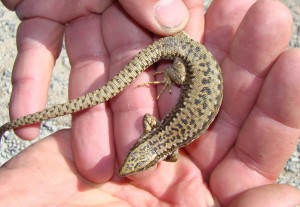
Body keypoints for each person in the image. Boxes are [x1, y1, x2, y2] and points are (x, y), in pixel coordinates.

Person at [0, 0, 300, 206]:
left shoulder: (166, 147)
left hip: (190, 59)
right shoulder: (161, 141)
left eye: (134, 154)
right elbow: (153, 131)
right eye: (136, 155)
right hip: (189, 60)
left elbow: (162, 145)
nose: (131, 162)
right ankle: (171, 76)